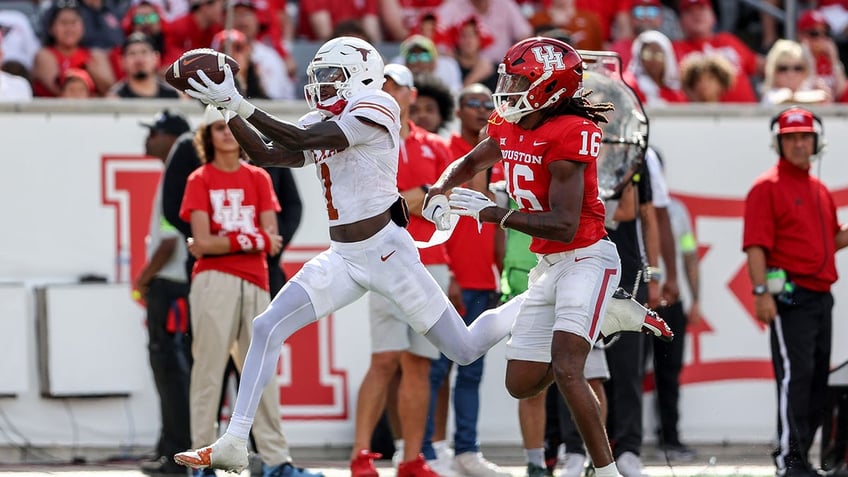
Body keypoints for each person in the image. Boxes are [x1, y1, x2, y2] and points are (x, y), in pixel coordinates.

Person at [172, 35, 669, 474]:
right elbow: (269, 153)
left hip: (387, 251)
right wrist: (222, 108)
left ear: (361, 75)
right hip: (344, 255)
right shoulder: (329, 113)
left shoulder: (377, 105)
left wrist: (237, 100)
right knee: (266, 326)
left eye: (330, 76)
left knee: (466, 348)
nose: (320, 85)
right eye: (317, 75)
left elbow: (300, 139)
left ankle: (580, 308)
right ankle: (236, 441)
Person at [425, 36, 670, 477]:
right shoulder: (509, 121)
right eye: (509, 75)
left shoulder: (571, 132)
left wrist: (493, 213)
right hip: (550, 266)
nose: (508, 85)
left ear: (549, 88)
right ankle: (605, 314)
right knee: (520, 384)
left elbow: (565, 224)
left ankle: (609, 471)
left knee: (568, 367)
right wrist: (439, 189)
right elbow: (469, 161)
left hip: (587, 258)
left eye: (519, 78)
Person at [179, 106, 319, 477]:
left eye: (231, 127)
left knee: (261, 376)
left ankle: (276, 460)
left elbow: (270, 242)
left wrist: (232, 241)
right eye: (218, 127)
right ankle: (201, 461)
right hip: (213, 280)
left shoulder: (259, 177)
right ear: (207, 136)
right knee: (208, 372)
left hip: (256, 278)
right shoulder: (199, 179)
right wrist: (251, 238)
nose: (226, 133)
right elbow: (204, 243)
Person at [348, 63, 449, 477]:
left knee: (419, 364)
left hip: (432, 262)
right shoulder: (368, 141)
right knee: (385, 359)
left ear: (410, 95)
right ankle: (360, 455)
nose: (390, 92)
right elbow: (377, 202)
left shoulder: (437, 146)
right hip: (385, 260)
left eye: (397, 87)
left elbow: (448, 202)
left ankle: (410, 457)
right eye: (382, 85)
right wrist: (415, 197)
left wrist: (416, 197)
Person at [743, 106, 848, 477]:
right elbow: (756, 245)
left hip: (822, 297)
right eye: (791, 138)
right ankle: (789, 461)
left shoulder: (819, 190)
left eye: (805, 137)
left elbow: (827, 243)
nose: (799, 144)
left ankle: (801, 459)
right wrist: (761, 292)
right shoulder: (766, 187)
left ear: (817, 141)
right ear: (778, 143)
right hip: (791, 297)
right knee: (796, 378)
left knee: (818, 381)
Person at [421, 83, 510, 477]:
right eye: (472, 103)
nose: (481, 109)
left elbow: (499, 227)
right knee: (437, 369)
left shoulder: (501, 159)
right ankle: (426, 449)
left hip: (484, 281)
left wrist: (501, 271)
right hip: (453, 278)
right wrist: (449, 271)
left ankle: (466, 450)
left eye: (488, 104)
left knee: (471, 370)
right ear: (457, 110)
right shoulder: (447, 153)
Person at [133, 109, 193, 477]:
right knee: (174, 370)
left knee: (171, 371)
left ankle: (175, 453)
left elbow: (169, 242)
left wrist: (143, 278)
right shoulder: (176, 169)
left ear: (172, 137)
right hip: (177, 286)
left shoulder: (178, 171)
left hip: (170, 288)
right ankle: (171, 449)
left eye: (154, 131)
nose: (149, 137)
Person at [651, 151, 702, 462]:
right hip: (635, 299)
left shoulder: (677, 210)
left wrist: (695, 299)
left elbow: (689, 255)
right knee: (620, 375)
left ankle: (670, 439)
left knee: (669, 373)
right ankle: (616, 442)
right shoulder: (616, 202)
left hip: (671, 302)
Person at [106, 32, 181, 99]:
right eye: (132, 53)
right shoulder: (115, 98)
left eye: (144, 52)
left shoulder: (174, 96)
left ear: (156, 58)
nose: (139, 59)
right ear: (122, 61)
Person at [760, 40, 830, 106]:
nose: (791, 74)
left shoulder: (810, 93)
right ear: (773, 71)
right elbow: (782, 98)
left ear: (806, 71)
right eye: (783, 68)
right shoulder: (769, 96)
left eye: (798, 68)